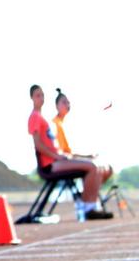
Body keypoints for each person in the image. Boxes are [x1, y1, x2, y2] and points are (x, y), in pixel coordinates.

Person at [31, 85, 112, 220]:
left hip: (59, 160)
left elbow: (65, 151)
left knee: (100, 167)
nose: (41, 98)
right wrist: (58, 157)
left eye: (42, 95)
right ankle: (87, 207)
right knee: (93, 167)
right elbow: (39, 145)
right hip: (51, 164)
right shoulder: (40, 119)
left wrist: (85, 156)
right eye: (37, 95)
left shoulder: (46, 120)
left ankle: (88, 201)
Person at [53, 88, 115, 190]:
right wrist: (85, 158)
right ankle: (88, 200)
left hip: (67, 158)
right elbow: (62, 153)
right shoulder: (55, 124)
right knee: (94, 166)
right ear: (56, 106)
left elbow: (68, 152)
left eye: (68, 102)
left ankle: (90, 195)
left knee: (106, 168)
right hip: (61, 161)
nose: (67, 105)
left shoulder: (62, 124)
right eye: (64, 102)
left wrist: (86, 156)